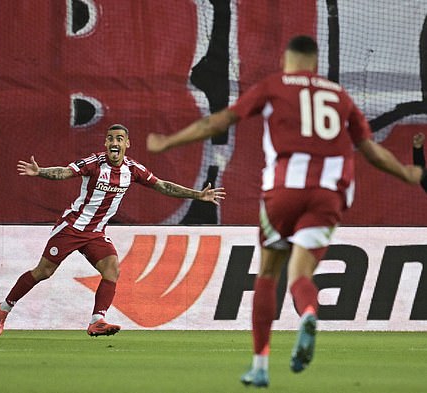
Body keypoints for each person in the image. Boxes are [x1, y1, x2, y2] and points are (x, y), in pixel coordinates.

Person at [147, 35, 423, 387]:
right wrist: (407, 172)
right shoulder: (339, 97)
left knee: (267, 273)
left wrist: (168, 142)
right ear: (316, 62)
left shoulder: (274, 85)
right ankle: (308, 311)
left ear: (286, 59)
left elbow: (217, 122)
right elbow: (370, 151)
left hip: (284, 192)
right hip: (328, 195)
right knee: (301, 276)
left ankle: (260, 365)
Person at [0, 123, 225, 337]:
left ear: (127, 144)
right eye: (111, 138)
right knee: (44, 272)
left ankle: (97, 320)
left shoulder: (133, 170)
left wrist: (197, 195)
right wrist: (40, 172)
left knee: (112, 269)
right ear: (105, 143)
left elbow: (162, 186)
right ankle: (4, 307)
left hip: (96, 232)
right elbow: (64, 172)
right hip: (72, 227)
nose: (115, 142)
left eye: (119, 138)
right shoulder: (94, 163)